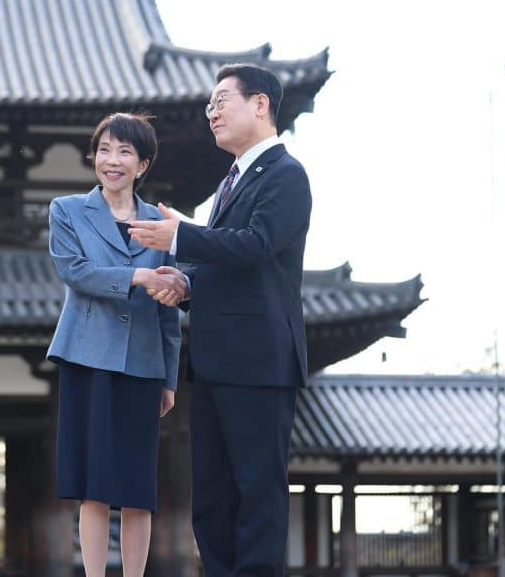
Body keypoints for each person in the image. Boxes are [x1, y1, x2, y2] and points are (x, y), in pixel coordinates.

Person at [128, 63, 312, 576]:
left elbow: (256, 247)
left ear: (260, 105)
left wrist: (180, 236)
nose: (211, 112)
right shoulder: (231, 182)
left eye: (221, 100)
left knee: (257, 493)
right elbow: (229, 269)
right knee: (211, 497)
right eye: (208, 105)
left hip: (259, 361)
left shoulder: (286, 173)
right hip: (213, 362)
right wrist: (185, 283)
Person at [46, 112, 186, 577]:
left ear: (142, 164)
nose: (112, 160)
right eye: (104, 149)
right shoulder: (67, 210)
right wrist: (137, 276)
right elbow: (76, 272)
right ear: (94, 157)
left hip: (144, 363)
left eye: (125, 152)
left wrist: (169, 377)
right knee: (94, 483)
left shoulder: (161, 224)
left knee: (136, 484)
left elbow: (168, 309)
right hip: (87, 356)